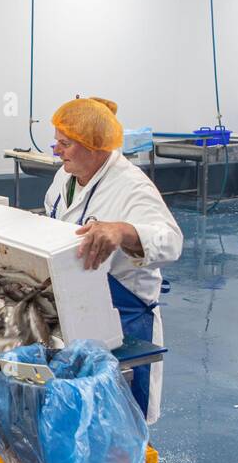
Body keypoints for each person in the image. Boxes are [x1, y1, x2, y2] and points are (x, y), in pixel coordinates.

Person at [44, 96, 183, 424]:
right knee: (83, 414)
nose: (56, 151)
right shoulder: (65, 177)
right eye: (56, 142)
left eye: (65, 143)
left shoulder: (131, 186)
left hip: (124, 317)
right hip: (78, 307)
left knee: (123, 419)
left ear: (94, 147)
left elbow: (171, 241)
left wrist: (123, 231)